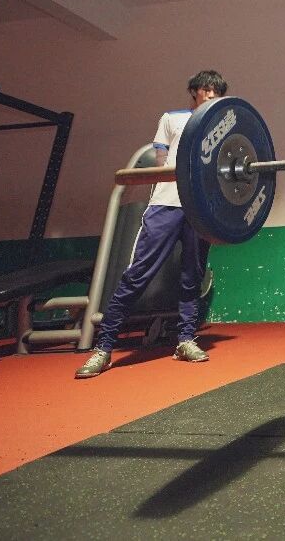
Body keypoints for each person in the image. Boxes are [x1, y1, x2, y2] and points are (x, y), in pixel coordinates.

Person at [75, 70, 228, 377]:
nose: (212, 94)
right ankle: (103, 347)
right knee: (138, 274)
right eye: (207, 89)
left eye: (217, 91)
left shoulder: (222, 124)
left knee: (192, 275)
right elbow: (160, 162)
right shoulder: (172, 119)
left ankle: (185, 340)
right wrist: (179, 176)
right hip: (166, 204)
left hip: (199, 210)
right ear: (195, 91)